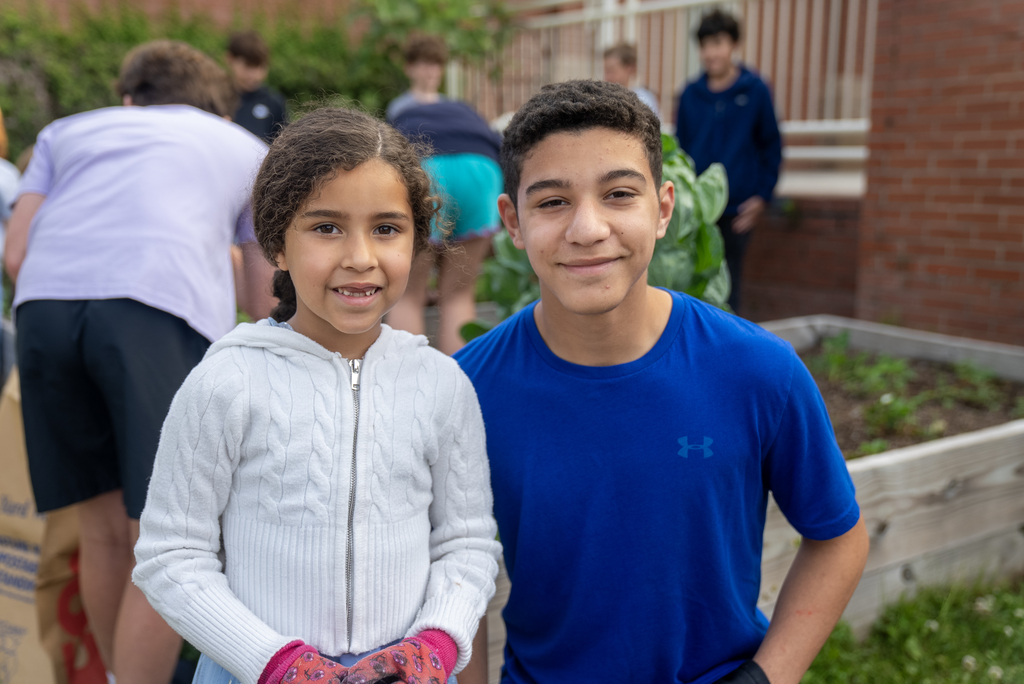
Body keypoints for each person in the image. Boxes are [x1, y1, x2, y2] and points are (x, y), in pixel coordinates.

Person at [454, 80, 869, 684]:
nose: (588, 228)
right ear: (513, 223)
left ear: (664, 209)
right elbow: (454, 572)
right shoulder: (468, 389)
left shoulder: (758, 370)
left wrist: (766, 676)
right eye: (552, 203)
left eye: (619, 194)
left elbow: (838, 536)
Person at [133, 108, 501, 684]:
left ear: (416, 240)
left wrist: (435, 644)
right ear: (276, 244)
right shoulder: (226, 381)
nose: (360, 256)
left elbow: (467, 542)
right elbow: (170, 556)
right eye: (327, 227)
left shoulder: (441, 384)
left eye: (386, 228)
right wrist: (276, 664)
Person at [3, 40, 274, 684]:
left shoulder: (64, 131)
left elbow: (15, 254)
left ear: (129, 96)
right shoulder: (242, 147)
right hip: (154, 311)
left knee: (99, 531)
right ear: (217, 107)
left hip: (43, 310)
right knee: (165, 543)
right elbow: (265, 294)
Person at [675, 9, 782, 315]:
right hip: (697, 212)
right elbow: (679, 152)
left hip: (737, 211)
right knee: (694, 286)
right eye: (705, 45)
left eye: (718, 43)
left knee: (728, 288)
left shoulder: (755, 89)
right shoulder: (690, 95)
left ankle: (728, 356)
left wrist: (762, 196)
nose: (711, 53)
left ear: (733, 45)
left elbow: (771, 145)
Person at [387, 98, 504, 355]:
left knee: (407, 296)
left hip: (426, 165)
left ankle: (407, 387)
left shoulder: (399, 120)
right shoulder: (469, 113)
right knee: (458, 295)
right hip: (481, 168)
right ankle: (459, 386)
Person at [226, 30, 288, 142]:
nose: (254, 76)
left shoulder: (273, 103)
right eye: (247, 66)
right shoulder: (213, 99)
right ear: (230, 59)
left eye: (260, 67)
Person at [386, 34, 449, 122]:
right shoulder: (398, 108)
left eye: (436, 64)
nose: (432, 71)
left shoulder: (449, 107)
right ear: (409, 68)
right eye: (426, 64)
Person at [603, 43, 661, 117]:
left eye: (611, 70)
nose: (607, 77)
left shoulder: (644, 99)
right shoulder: (604, 97)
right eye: (605, 71)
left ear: (629, 69)